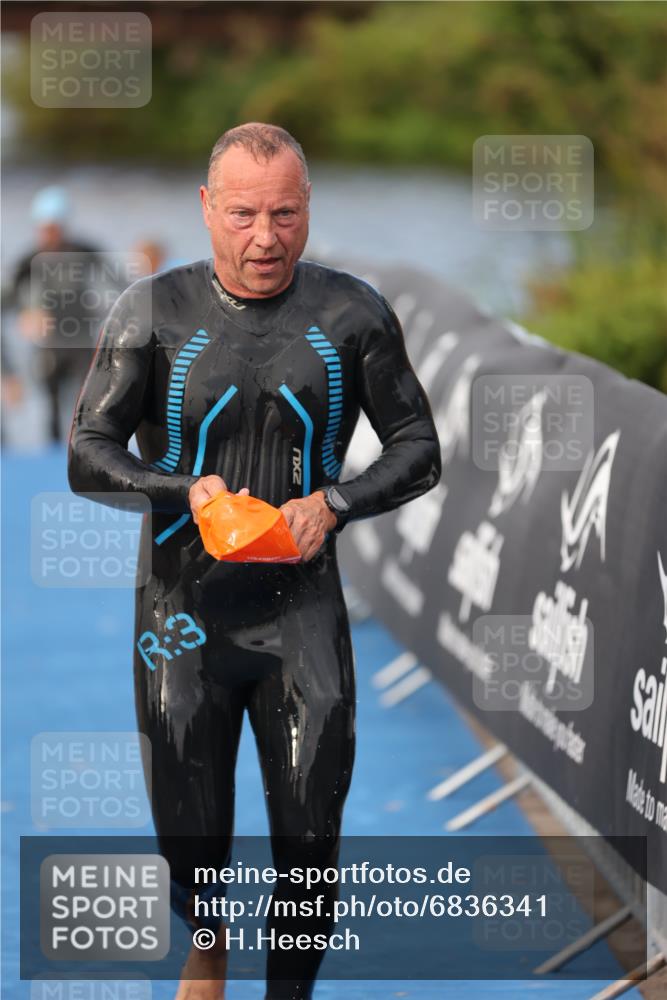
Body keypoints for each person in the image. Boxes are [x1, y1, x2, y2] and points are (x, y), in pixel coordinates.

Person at [68, 123, 441, 1000]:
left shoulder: (351, 314)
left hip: (301, 609)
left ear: (307, 208)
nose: (264, 237)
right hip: (181, 614)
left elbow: (418, 446)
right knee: (189, 837)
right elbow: (88, 451)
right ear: (206, 210)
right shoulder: (152, 312)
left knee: (310, 842)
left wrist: (336, 502)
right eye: (242, 214)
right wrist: (182, 490)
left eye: (283, 213)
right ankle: (208, 936)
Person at [12, 186, 101, 442]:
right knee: (50, 405)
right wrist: (26, 312)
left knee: (86, 404)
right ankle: (51, 457)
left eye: (54, 228)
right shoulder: (29, 259)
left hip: (81, 339)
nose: (49, 235)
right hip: (49, 343)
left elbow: (117, 284)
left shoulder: (84, 252)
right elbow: (9, 296)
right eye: (44, 229)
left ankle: (85, 450)